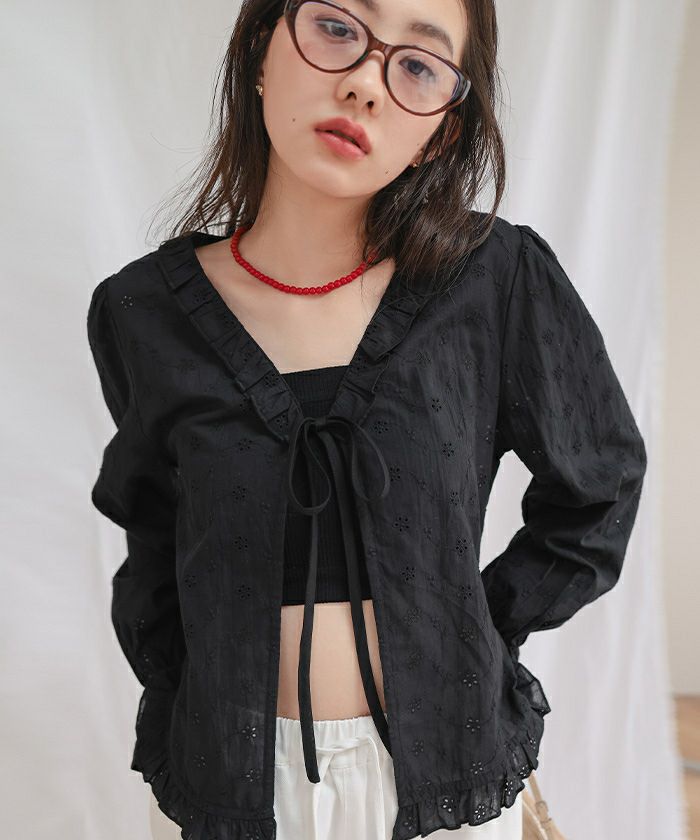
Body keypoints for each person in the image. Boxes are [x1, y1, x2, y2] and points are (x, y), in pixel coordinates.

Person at [87, 1, 647, 839]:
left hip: (444, 778)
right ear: (261, 49)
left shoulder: (494, 280)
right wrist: (184, 692)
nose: (364, 85)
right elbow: (155, 540)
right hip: (233, 782)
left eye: (418, 66)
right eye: (338, 27)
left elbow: (600, 485)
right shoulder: (143, 312)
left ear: (441, 133)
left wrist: (473, 628)